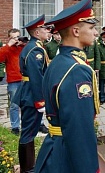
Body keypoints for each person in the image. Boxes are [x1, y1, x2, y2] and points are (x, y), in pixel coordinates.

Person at [35, 0, 100, 173]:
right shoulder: (77, 70)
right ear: (76, 31)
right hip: (67, 156)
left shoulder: (59, 61)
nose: (96, 33)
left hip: (53, 148)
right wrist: (89, 168)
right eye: (92, 27)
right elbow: (79, 128)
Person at [13, 14, 50, 173]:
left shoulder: (34, 46)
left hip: (28, 93)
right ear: (36, 32)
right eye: (44, 28)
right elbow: (36, 77)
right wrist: (41, 101)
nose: (47, 31)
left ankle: (27, 166)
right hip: (31, 95)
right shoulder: (36, 50)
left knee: (29, 130)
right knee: (28, 132)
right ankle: (27, 168)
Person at [0, 28, 27, 135]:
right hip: (13, 80)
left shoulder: (23, 47)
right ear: (10, 38)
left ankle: (27, 125)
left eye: (18, 36)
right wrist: (8, 45)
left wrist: (24, 43)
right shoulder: (7, 49)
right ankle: (15, 126)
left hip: (26, 79)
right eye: (14, 37)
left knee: (27, 104)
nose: (17, 39)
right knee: (14, 105)